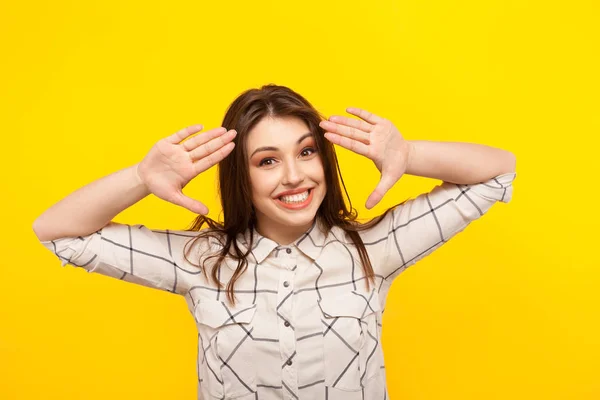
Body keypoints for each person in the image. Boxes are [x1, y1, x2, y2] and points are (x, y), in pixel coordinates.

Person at [33, 84, 517, 400]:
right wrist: (141, 178)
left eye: (306, 152)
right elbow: (57, 232)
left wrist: (409, 153)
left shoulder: (376, 248)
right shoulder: (200, 261)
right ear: (240, 176)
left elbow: (497, 173)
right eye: (267, 160)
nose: (294, 176)